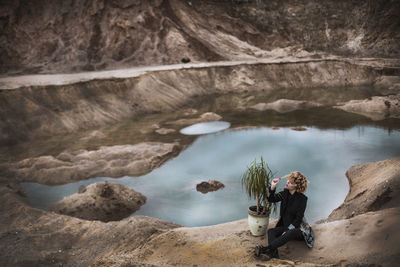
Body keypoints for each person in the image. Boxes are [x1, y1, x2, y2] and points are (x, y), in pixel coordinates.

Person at [254, 171, 309, 260]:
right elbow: (271, 199)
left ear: (296, 186)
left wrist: (287, 230)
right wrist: (272, 187)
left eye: (291, 182)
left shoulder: (303, 199)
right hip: (285, 226)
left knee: (291, 232)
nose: (287, 182)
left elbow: (298, 220)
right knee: (271, 231)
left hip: (298, 229)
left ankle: (265, 249)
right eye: (288, 180)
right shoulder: (284, 194)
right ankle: (275, 256)